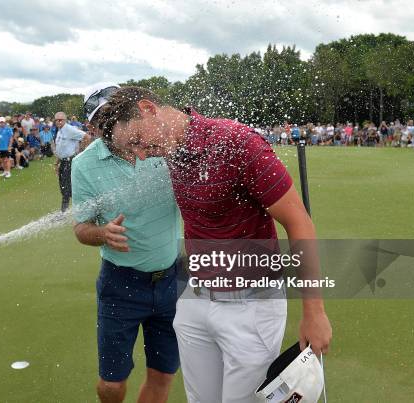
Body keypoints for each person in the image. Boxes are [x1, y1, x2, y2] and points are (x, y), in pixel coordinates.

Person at [96, 86, 332, 403]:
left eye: (137, 141)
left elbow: (299, 222)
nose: (141, 154)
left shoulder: (236, 142)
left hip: (250, 306)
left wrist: (314, 312)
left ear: (148, 108)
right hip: (195, 301)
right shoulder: (169, 151)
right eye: (131, 150)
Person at [72, 85, 180, 403]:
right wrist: (101, 234)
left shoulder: (163, 145)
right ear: (93, 126)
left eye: (111, 116)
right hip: (121, 286)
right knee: (112, 385)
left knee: (162, 374)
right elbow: (81, 227)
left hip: (172, 280)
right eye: (100, 120)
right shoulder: (84, 165)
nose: (108, 125)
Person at [53, 111, 88, 211]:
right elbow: (61, 149)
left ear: (65, 120)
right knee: (65, 187)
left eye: (60, 120)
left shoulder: (69, 129)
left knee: (66, 188)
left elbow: (86, 137)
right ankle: (78, 207)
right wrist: (57, 162)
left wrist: (81, 151)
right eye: (56, 120)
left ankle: (65, 211)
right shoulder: (59, 131)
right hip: (63, 162)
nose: (58, 122)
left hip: (70, 162)